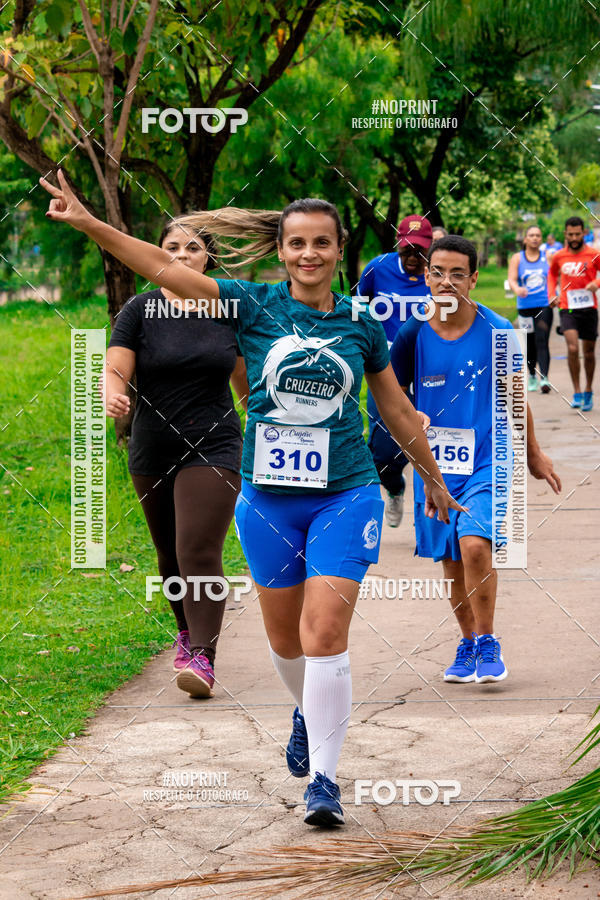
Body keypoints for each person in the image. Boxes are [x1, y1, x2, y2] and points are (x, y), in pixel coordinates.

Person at [41, 170, 463, 828]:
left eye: (322, 243)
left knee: (324, 634)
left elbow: (398, 409)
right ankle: (304, 708)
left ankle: (324, 780)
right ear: (281, 250)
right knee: (287, 643)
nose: (309, 255)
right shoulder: (250, 303)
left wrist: (431, 475)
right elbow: (162, 267)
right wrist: (91, 222)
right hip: (268, 499)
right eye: (297, 243)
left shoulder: (361, 322)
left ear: (338, 248)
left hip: (345, 495)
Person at [390, 235, 561, 685]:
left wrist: (534, 454)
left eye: (457, 273)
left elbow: (515, 396)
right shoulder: (411, 332)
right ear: (426, 277)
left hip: (489, 457)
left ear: (474, 278)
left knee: (474, 545)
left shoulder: (499, 330)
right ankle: (466, 642)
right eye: (437, 272)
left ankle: (487, 641)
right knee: (449, 557)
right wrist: (412, 410)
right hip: (436, 466)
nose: (446, 282)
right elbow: (391, 393)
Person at [105, 222, 248, 699]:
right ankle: (186, 634)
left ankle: (203, 657)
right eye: (171, 247)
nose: (182, 255)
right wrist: (114, 393)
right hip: (152, 446)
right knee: (168, 554)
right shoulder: (140, 310)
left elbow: (247, 387)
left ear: (208, 259)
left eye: (193, 248)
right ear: (155, 254)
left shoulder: (227, 310)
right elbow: (116, 364)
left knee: (197, 549)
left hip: (215, 443)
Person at [358, 214, 434, 527]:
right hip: (385, 369)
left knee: (433, 439)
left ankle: (435, 514)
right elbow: (357, 310)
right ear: (397, 247)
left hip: (428, 368)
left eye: (420, 252)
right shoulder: (377, 269)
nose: (413, 258)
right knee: (384, 450)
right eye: (407, 252)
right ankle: (395, 485)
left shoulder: (437, 272)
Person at [548, 216, 600, 411]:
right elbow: (552, 275)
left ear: (584, 233)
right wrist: (552, 294)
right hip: (567, 307)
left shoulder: (594, 254)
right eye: (570, 234)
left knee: (588, 352)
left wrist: (597, 283)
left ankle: (588, 390)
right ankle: (577, 391)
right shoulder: (559, 256)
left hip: (589, 309)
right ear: (565, 234)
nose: (574, 237)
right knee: (571, 348)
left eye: (577, 234)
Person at [507, 224, 552, 393]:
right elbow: (511, 279)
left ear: (541, 239)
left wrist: (555, 293)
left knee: (542, 340)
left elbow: (555, 276)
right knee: (530, 343)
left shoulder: (547, 256)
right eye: (531, 235)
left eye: (538, 235)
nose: (535, 238)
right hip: (525, 307)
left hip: (544, 304)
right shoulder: (518, 258)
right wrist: (517, 289)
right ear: (525, 239)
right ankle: (532, 375)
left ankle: (545, 378)